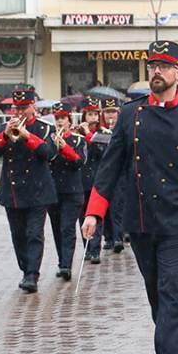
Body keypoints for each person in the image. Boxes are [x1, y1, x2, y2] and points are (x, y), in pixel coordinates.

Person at [81, 40, 178, 354]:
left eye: (163, 66)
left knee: (170, 288)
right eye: (152, 66)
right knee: (155, 294)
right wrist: (94, 213)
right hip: (142, 219)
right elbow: (110, 166)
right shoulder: (131, 114)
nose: (156, 72)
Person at [0, 89, 57, 293]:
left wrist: (27, 136)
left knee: (34, 233)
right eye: (16, 108)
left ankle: (32, 274)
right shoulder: (4, 128)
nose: (19, 112)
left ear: (32, 107)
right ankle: (26, 269)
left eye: (24, 108)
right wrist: (4, 135)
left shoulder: (44, 128)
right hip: (13, 190)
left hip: (37, 190)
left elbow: (49, 153)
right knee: (18, 234)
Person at [47, 102, 87, 281]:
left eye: (62, 118)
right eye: (56, 119)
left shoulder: (78, 140)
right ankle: (61, 261)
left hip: (73, 191)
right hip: (54, 191)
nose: (59, 122)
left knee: (67, 227)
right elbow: (45, 157)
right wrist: (55, 146)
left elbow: (79, 162)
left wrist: (64, 147)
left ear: (69, 120)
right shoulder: (49, 139)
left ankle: (66, 265)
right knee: (57, 228)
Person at [78, 96, 106, 264]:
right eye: (89, 115)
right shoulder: (76, 133)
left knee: (95, 215)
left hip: (97, 179)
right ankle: (87, 248)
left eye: (95, 114)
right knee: (82, 217)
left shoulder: (103, 134)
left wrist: (89, 134)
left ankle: (95, 249)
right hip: (80, 180)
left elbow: (102, 152)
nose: (93, 118)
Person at [101, 97, 126, 254]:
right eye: (107, 112)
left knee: (118, 206)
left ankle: (118, 237)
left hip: (120, 173)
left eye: (113, 112)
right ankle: (108, 236)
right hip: (104, 174)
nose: (111, 116)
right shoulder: (97, 131)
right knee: (105, 207)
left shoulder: (123, 129)